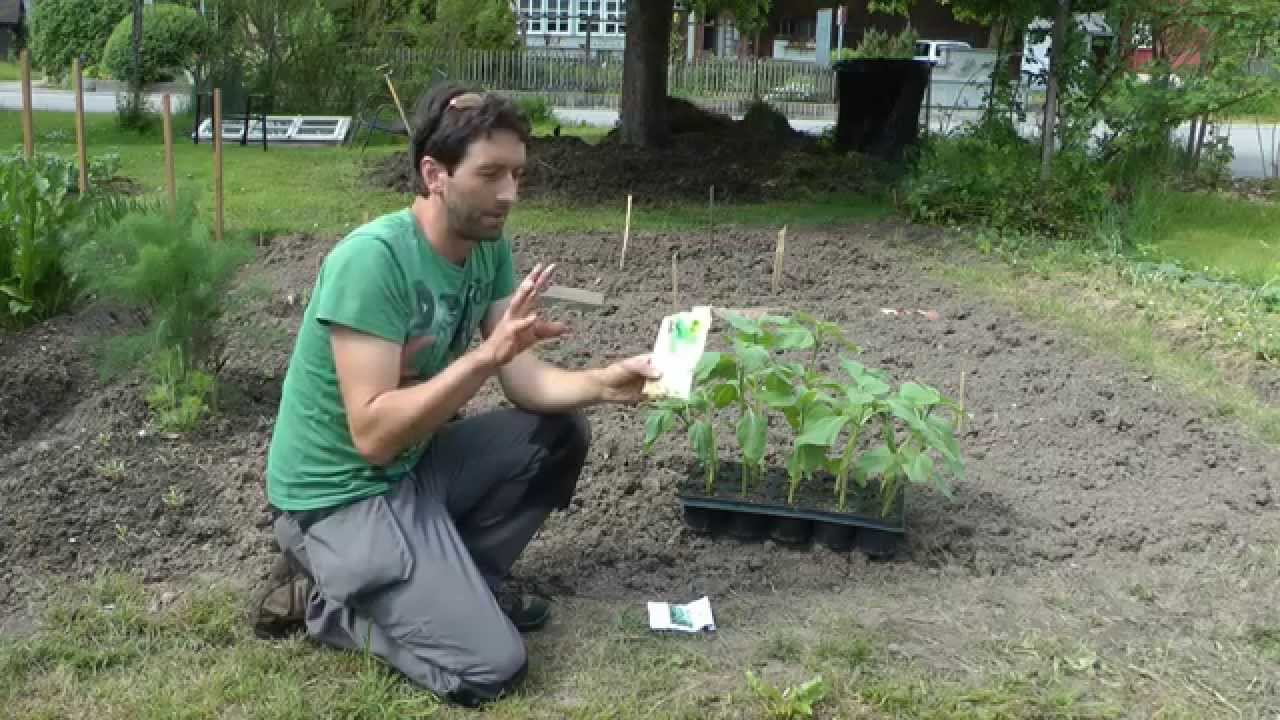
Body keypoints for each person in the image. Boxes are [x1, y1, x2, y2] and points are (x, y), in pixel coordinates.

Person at [249, 84, 659, 707]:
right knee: (492, 668)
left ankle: (460, 583)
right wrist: (481, 359)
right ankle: (327, 604)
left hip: (414, 470)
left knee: (559, 432)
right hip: (340, 497)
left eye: (517, 174)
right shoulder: (374, 261)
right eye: (490, 174)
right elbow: (374, 434)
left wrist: (606, 383)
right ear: (434, 175)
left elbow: (522, 379)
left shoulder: (486, 246)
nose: (509, 195)